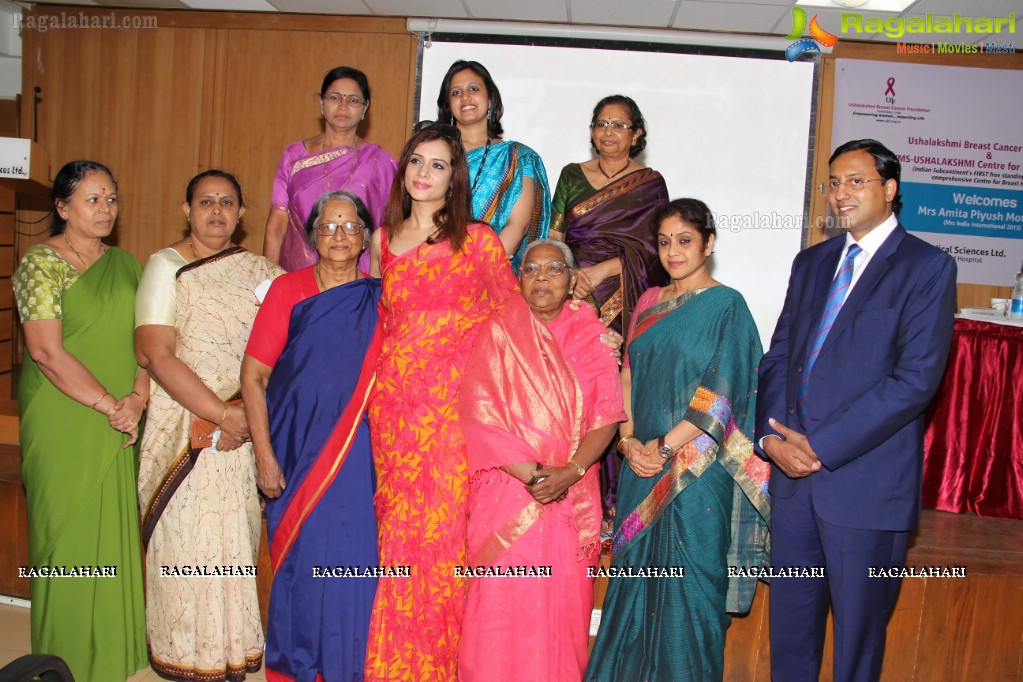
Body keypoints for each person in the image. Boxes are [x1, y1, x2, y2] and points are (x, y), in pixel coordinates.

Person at [756, 139, 956, 682]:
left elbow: (914, 381)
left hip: (865, 487)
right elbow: (779, 355)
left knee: (857, 644)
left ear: (889, 190)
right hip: (793, 484)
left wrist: (820, 447)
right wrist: (771, 439)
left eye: (856, 181)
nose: (841, 194)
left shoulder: (926, 267)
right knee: (791, 635)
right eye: (834, 182)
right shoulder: (813, 262)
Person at [586, 199, 771, 682]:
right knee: (631, 587)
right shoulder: (648, 302)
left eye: (685, 240)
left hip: (696, 469)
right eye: (665, 242)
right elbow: (628, 374)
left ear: (708, 243)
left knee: (692, 590)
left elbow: (721, 391)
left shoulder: (727, 306)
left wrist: (665, 446)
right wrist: (627, 442)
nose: (673, 251)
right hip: (638, 465)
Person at [364, 123, 519, 681]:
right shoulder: (382, 242)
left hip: (454, 416)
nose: (424, 174)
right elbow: (378, 326)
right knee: (399, 537)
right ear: (403, 168)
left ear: (454, 177)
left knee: (445, 540)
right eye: (416, 162)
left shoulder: (477, 241)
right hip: (394, 413)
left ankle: (445, 668)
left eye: (438, 164)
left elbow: (513, 322)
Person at [135, 170, 283, 682]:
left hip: (246, 425)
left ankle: (231, 651)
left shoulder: (263, 271)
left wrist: (249, 416)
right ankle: (185, 653)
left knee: (232, 541)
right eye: (205, 202)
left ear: (243, 214)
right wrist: (221, 414)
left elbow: (280, 349)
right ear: (186, 209)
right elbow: (155, 353)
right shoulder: (166, 266)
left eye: (227, 203)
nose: (216, 211)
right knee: (187, 540)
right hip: (187, 424)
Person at [457, 239, 626, 681]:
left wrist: (568, 473)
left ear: (572, 281)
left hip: (571, 491)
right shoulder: (498, 331)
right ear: (519, 279)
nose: (543, 278)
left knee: (562, 606)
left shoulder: (592, 334)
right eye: (531, 269)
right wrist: (534, 478)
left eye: (554, 269)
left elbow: (607, 416)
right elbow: (479, 411)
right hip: (510, 490)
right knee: (499, 603)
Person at [14, 160, 148, 682]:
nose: (105, 209)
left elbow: (147, 344)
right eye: (92, 199)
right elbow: (45, 352)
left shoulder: (129, 265)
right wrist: (107, 404)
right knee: (65, 532)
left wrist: (136, 398)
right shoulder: (40, 263)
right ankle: (62, 657)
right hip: (65, 415)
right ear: (62, 206)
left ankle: (112, 655)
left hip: (123, 414)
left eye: (111, 198)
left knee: (111, 528)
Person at [241, 190, 381, 682]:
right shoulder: (287, 290)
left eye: (349, 226)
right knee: (300, 563)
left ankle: (349, 668)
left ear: (365, 237)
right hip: (295, 450)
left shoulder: (381, 297)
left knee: (353, 562)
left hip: (360, 456)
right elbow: (253, 377)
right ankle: (297, 668)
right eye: (328, 227)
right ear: (312, 236)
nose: (339, 235)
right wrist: (264, 456)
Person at [550, 94, 668, 338]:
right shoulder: (571, 175)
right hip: (574, 288)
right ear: (591, 131)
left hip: (624, 290)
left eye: (618, 125)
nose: (608, 132)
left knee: (615, 367)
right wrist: (571, 276)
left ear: (636, 134)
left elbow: (657, 248)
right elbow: (554, 235)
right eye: (601, 124)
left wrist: (602, 271)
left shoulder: (651, 184)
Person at [264, 65, 397, 271]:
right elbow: (277, 224)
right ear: (322, 103)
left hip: (356, 278)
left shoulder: (380, 162)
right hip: (299, 275)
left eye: (352, 100)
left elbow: (389, 230)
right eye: (335, 97)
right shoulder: (295, 156)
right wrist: (268, 281)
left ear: (365, 107)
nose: (343, 106)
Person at [436, 59, 551, 272]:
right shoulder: (432, 154)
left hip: (490, 274)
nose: (465, 97)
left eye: (473, 88)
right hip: (433, 269)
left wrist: (475, 273)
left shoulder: (518, 157)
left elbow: (518, 225)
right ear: (448, 106)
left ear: (490, 99)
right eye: (456, 92)